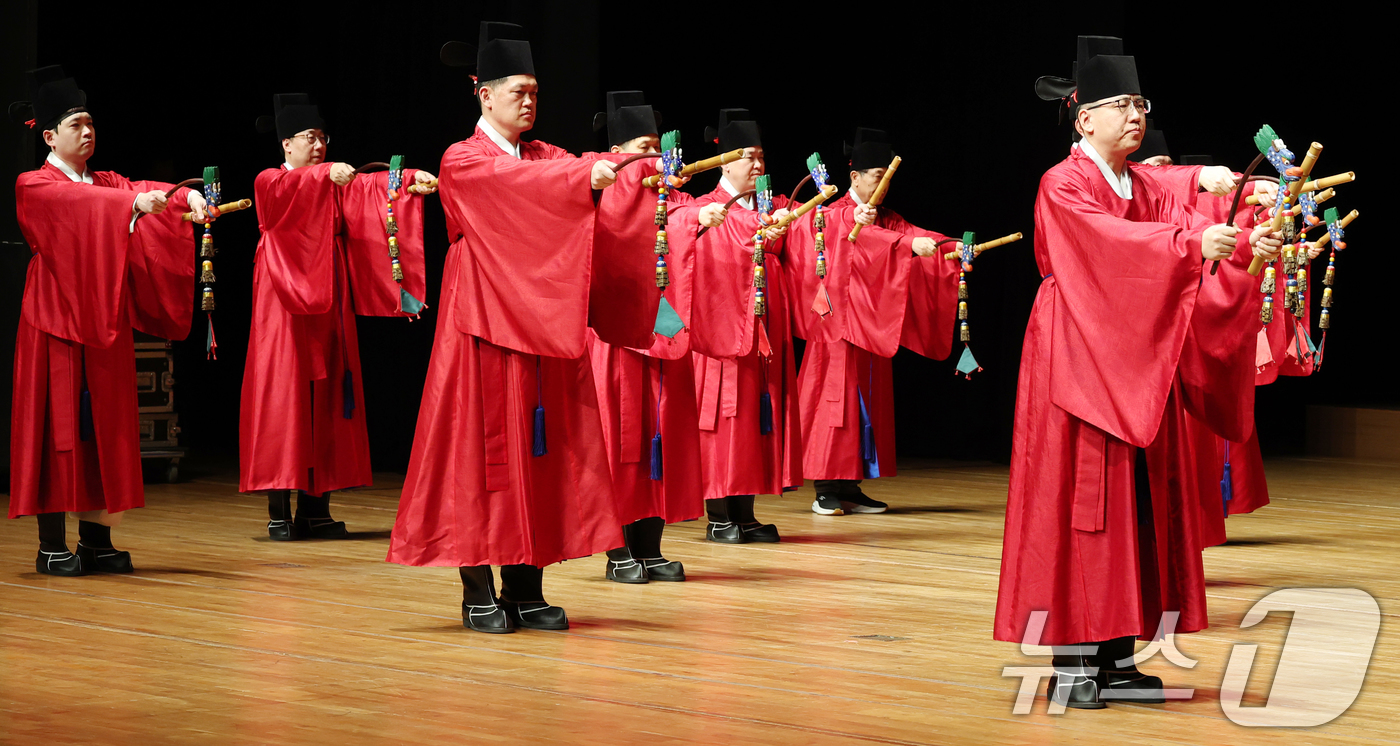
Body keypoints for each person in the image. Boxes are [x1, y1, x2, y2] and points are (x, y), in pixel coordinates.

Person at [996, 48, 1282, 709]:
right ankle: (1074, 665)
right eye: (1122, 106)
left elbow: (1180, 198)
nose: (1135, 115)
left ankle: (1117, 657)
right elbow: (1113, 243)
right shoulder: (1062, 183)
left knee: (1133, 504)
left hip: (1128, 350)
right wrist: (1191, 243)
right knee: (1083, 502)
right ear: (1083, 120)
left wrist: (1242, 226)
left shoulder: (1136, 181)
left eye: (1139, 104)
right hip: (1077, 348)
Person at [387, 23, 655, 633]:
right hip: (482, 318)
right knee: (482, 453)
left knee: (544, 447)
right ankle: (478, 588)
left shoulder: (546, 156)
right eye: (518, 91)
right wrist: (582, 180)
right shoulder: (463, 160)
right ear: (484, 94)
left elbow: (582, 172)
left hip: (539, 319)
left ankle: (527, 586)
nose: (530, 101)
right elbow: (527, 188)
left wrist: (634, 171)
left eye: (535, 91)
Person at [9, 66, 207, 574]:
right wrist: (131, 205)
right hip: (55, 319)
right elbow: (83, 203)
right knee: (57, 425)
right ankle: (51, 543)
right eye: (76, 125)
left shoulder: (108, 181)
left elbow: (145, 190)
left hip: (104, 319)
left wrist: (187, 198)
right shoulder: (34, 183)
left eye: (91, 122)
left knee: (107, 426)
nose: (88, 131)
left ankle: (97, 539)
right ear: (50, 135)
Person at [240, 94, 436, 541]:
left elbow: (368, 189)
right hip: (282, 295)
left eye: (323, 138)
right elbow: (289, 190)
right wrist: (324, 173)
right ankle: (278, 509)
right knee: (284, 389)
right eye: (309, 138)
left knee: (330, 391)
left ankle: (315, 509)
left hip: (330, 288)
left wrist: (405, 180)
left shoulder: (332, 181)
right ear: (286, 144)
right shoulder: (270, 181)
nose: (318, 145)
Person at [586, 91, 725, 583]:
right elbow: (635, 226)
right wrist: (688, 217)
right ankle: (617, 549)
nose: (654, 158)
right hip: (618, 331)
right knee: (620, 440)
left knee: (659, 438)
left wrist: (704, 216)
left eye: (657, 147)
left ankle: (650, 546)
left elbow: (684, 213)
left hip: (663, 330)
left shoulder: (669, 194)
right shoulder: (603, 189)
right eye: (643, 147)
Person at [785, 128, 960, 516]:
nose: (883, 183)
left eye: (887, 176)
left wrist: (951, 248)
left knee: (865, 404)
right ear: (855, 178)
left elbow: (913, 234)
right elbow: (860, 236)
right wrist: (904, 245)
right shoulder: (833, 213)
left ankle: (851, 484)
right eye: (877, 175)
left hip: (870, 325)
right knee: (833, 405)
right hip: (835, 326)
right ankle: (826, 486)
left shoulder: (886, 218)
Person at [668, 109, 798, 544]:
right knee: (722, 417)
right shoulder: (701, 210)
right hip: (718, 331)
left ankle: (744, 512)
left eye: (761, 157)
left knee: (755, 418)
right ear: (724, 161)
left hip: (761, 329)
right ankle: (719, 514)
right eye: (749, 157)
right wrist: (764, 229)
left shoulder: (771, 207)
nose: (758, 166)